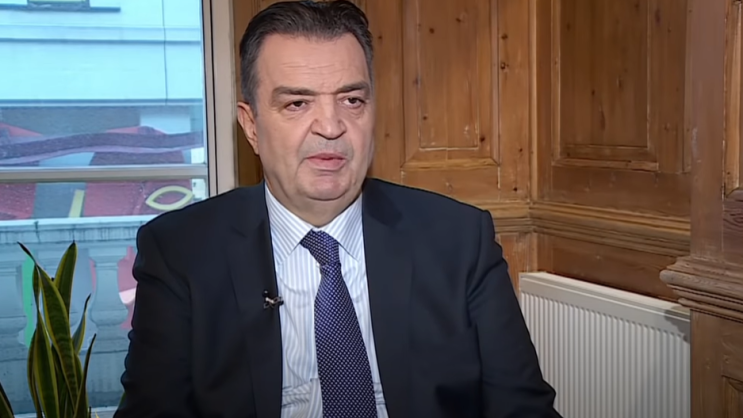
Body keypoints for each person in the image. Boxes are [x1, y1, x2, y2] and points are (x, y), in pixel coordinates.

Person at [114, 1, 561, 417]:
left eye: (352, 100)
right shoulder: (181, 252)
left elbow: (523, 409)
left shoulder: (459, 239)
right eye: (297, 103)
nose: (331, 127)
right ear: (251, 126)